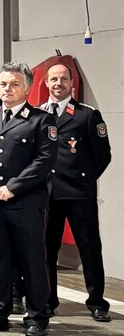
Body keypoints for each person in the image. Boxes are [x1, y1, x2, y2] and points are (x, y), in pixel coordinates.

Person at [0, 62, 57, 336]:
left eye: (14, 84)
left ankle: (37, 317)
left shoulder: (41, 120)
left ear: (27, 88)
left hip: (25, 204)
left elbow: (44, 160)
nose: (7, 89)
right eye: (3, 84)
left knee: (32, 261)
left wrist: (13, 187)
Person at [41, 63, 111, 321]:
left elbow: (103, 155)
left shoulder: (87, 115)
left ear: (72, 83)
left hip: (79, 194)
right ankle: (48, 300)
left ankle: (97, 302)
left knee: (89, 248)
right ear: (46, 83)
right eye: (53, 79)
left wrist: (84, 181)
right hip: (47, 195)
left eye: (63, 79)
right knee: (46, 249)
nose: (58, 84)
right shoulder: (38, 114)